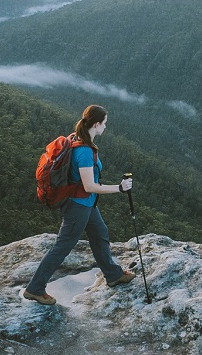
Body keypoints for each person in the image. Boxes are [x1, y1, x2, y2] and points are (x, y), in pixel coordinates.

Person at [22, 105, 135, 305]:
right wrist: (120, 188)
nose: (106, 127)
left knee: (100, 234)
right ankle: (35, 288)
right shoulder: (83, 151)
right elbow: (90, 186)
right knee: (62, 247)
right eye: (105, 123)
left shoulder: (77, 138)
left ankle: (113, 274)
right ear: (96, 124)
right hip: (78, 206)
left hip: (87, 205)